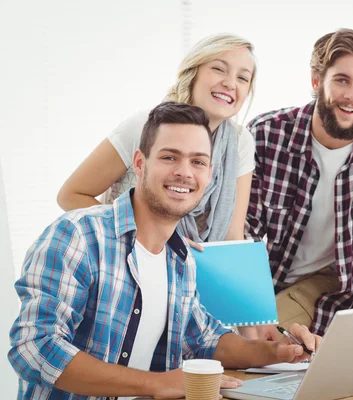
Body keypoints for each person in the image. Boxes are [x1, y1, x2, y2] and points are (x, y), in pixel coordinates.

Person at [8, 103, 319, 400]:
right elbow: (34, 348)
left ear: (209, 174)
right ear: (140, 164)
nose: (184, 172)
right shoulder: (77, 236)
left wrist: (281, 352)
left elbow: (205, 341)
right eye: (170, 157)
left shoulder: (181, 260)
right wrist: (156, 384)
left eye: (197, 162)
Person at [244, 29, 353, 336]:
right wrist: (256, 320)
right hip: (262, 279)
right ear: (316, 81)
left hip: (331, 284)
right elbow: (244, 233)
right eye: (342, 80)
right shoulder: (264, 135)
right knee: (221, 341)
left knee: (248, 347)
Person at [57, 33, 257, 244]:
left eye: (242, 78)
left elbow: (232, 236)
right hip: (129, 256)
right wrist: (144, 236)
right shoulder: (145, 125)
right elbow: (71, 195)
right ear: (193, 72)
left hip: (198, 268)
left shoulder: (240, 142)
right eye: (218, 69)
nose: (230, 83)